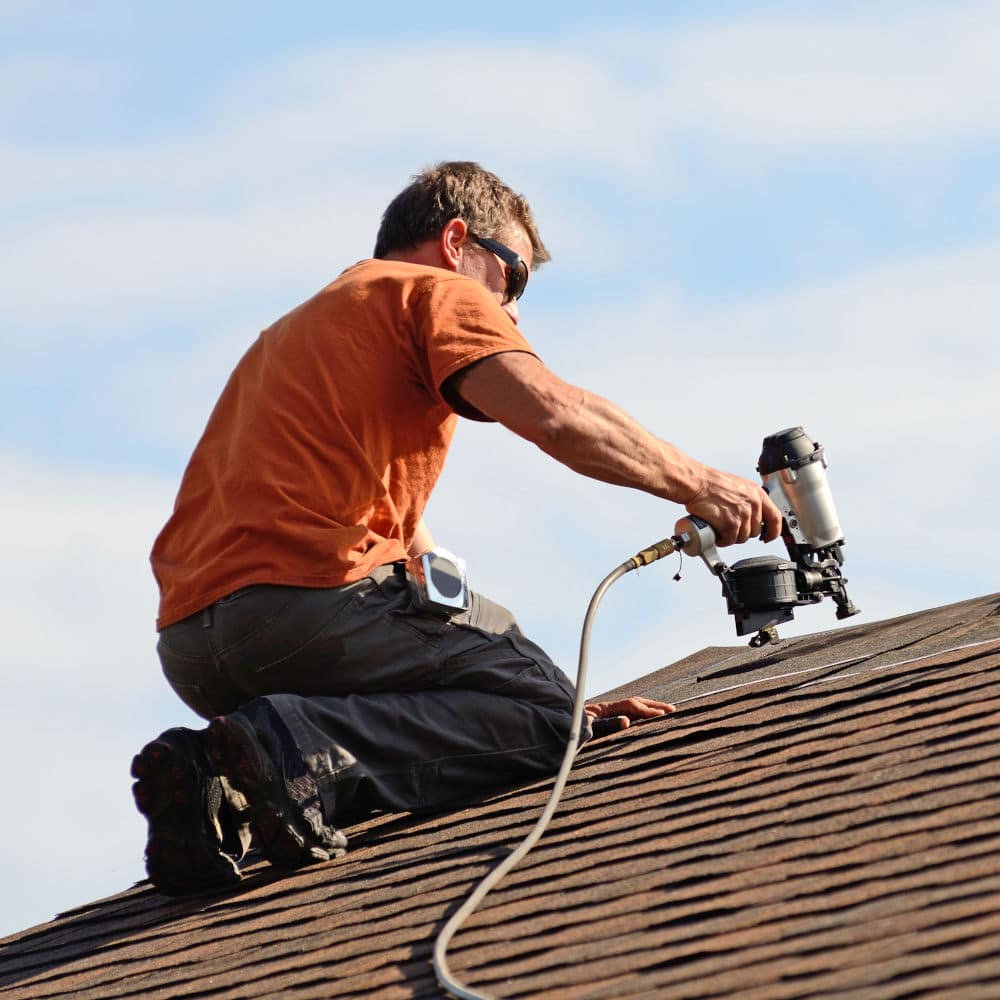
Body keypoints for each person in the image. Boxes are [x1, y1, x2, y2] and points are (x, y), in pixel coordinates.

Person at [132, 161, 782, 895]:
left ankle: (219, 786)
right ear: (454, 241)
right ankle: (297, 745)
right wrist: (701, 484)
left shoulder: (298, 331)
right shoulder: (433, 292)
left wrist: (531, 692)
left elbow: (411, 559)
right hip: (307, 606)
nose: (513, 310)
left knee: (521, 692)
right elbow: (555, 414)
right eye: (514, 278)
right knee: (551, 723)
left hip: (193, 647)